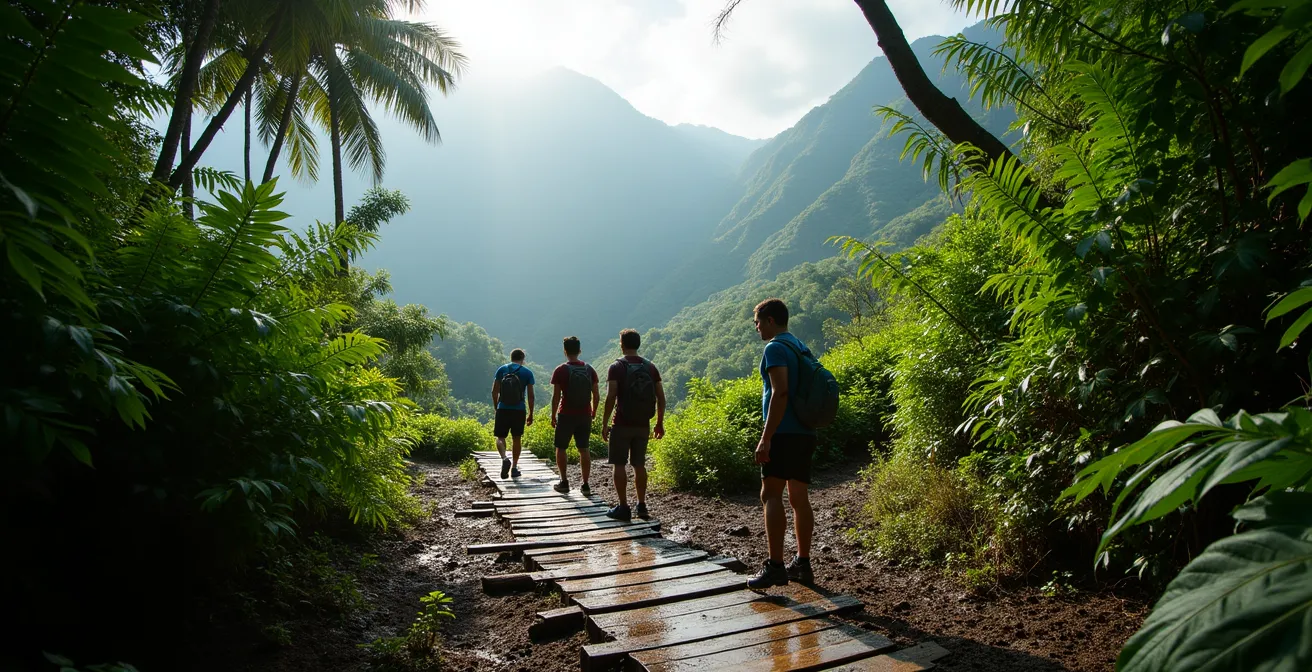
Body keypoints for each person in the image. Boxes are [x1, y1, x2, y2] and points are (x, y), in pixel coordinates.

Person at [747, 298, 817, 589]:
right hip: (805, 432)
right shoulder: (801, 347)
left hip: (783, 433)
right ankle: (802, 564)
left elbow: (780, 393)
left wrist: (766, 437)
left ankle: (776, 566)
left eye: (759, 323)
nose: (757, 328)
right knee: (799, 498)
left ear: (772, 320)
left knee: (771, 494)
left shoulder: (775, 348)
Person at [601, 329, 665, 521]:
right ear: (638, 344)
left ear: (622, 344)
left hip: (621, 423)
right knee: (639, 465)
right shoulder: (650, 367)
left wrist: (604, 423)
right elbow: (661, 398)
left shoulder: (616, 367)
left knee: (619, 464)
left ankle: (623, 507)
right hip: (643, 424)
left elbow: (611, 396)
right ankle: (642, 505)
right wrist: (659, 423)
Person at [549, 336, 600, 495]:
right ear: (579, 350)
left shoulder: (560, 370)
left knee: (561, 448)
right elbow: (596, 395)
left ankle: (564, 482)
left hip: (566, 414)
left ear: (565, 351)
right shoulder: (589, 369)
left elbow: (556, 396)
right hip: (584, 414)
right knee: (584, 449)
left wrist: (553, 415)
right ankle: (585, 485)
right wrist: (593, 412)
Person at [491, 349, 535, 479]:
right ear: (522, 359)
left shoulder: (501, 370)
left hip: (503, 408)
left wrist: (496, 407)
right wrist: (531, 413)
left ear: (511, 357)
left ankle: (505, 458)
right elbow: (531, 396)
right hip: (519, 409)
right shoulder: (527, 372)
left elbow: (494, 392)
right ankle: (514, 468)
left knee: (500, 437)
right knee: (517, 438)